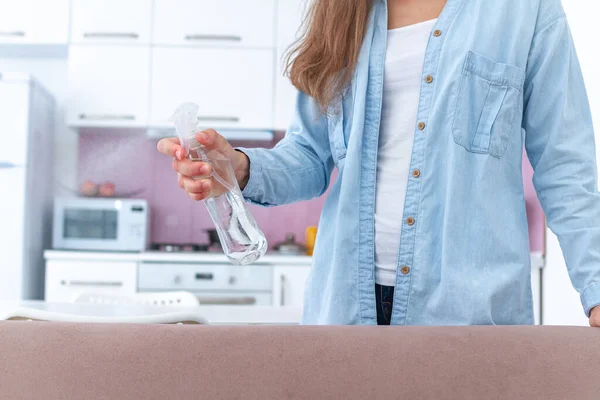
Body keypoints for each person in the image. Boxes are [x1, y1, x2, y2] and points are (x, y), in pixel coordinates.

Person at [158, 0, 600, 326]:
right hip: (346, 308)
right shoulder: (340, 11)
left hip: (470, 313)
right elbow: (310, 156)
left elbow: (566, 169)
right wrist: (237, 168)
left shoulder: (526, 11)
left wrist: (596, 291)